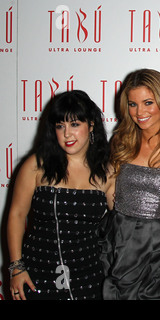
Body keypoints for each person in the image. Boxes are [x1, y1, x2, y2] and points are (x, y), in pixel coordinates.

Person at [7, 90, 115, 300]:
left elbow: (123, 222)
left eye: (75, 124)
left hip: (89, 277)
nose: (67, 134)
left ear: (91, 125)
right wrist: (16, 267)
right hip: (37, 274)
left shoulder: (107, 173)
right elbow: (17, 215)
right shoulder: (36, 166)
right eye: (60, 125)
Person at [100, 69, 160, 300]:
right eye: (132, 104)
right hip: (120, 241)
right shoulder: (121, 140)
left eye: (148, 102)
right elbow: (110, 193)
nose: (139, 112)